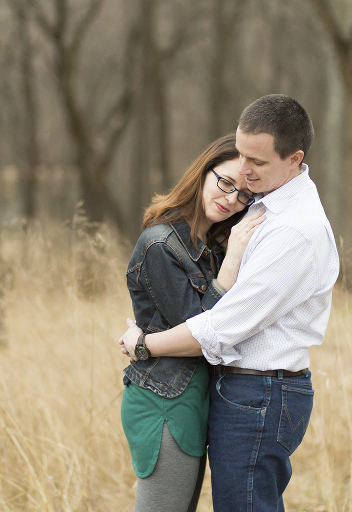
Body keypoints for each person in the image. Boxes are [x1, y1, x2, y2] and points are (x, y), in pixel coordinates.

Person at [119, 94, 340, 512]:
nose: (244, 171)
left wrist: (145, 343)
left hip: (258, 391)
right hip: (220, 390)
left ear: (295, 158)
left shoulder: (292, 230)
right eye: (239, 156)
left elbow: (219, 326)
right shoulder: (251, 215)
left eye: (256, 162)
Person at [121, 133, 267, 512]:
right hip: (165, 401)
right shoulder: (160, 245)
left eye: (243, 195)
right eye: (225, 183)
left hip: (197, 397)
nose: (232, 199)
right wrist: (233, 260)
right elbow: (202, 330)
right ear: (203, 172)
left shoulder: (209, 248)